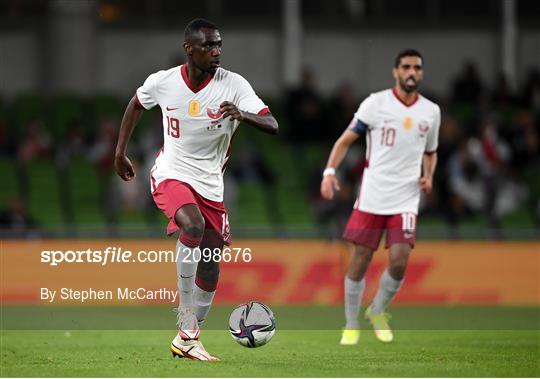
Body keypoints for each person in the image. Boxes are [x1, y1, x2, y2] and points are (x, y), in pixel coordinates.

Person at [114, 18, 278, 361]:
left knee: (210, 265)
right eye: (208, 46)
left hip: (210, 185)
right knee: (192, 225)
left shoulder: (233, 85)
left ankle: (188, 338)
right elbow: (135, 105)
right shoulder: (163, 82)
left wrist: (244, 116)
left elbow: (272, 123)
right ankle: (186, 319)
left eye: (219, 45)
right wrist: (120, 152)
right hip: (171, 172)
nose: (216, 51)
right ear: (189, 48)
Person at [320, 49, 440, 345]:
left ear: (421, 73)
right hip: (373, 194)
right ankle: (350, 323)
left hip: (407, 197)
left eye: (417, 68)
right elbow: (346, 139)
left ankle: (377, 311)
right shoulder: (376, 103)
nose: (412, 72)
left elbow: (431, 151)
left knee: (399, 261)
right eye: (406, 67)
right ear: (396, 71)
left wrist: (429, 175)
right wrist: (329, 172)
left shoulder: (431, 112)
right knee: (360, 259)